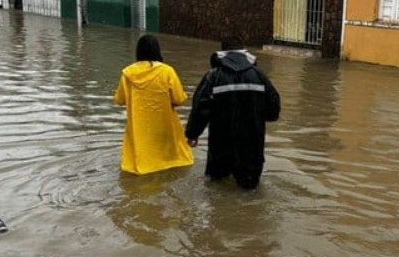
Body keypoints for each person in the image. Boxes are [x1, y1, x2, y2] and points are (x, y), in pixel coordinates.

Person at [185, 35, 281, 189]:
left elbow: (200, 108)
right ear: (244, 52)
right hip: (252, 148)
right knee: (250, 194)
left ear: (223, 52)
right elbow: (274, 109)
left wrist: (192, 134)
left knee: (216, 192)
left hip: (220, 148)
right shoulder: (259, 76)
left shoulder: (213, 76)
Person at [114, 34, 193, 175]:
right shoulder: (167, 71)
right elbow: (179, 99)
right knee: (174, 162)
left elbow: (119, 100)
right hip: (165, 124)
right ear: (158, 50)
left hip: (139, 127)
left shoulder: (128, 73)